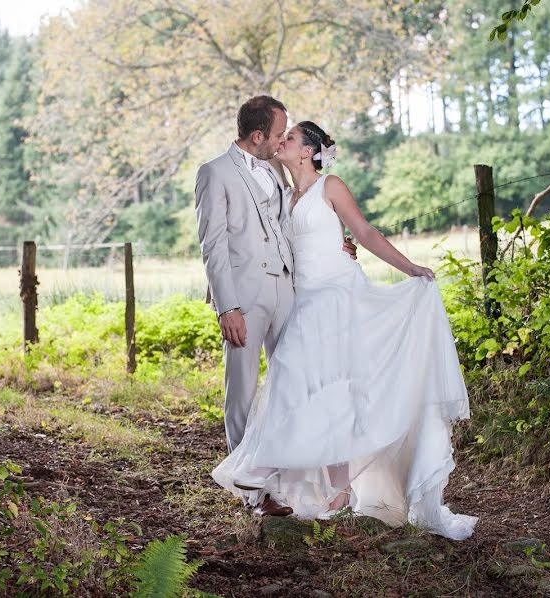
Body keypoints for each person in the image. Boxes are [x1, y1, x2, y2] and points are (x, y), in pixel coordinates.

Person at [210, 121, 478, 539]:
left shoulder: (330, 186)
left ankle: (261, 468)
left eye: (292, 138)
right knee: (324, 387)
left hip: (336, 295)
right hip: (303, 298)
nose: (283, 141)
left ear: (309, 152)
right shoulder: (283, 192)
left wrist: (409, 267)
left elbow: (365, 231)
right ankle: (339, 491)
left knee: (298, 378)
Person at [195, 97, 355, 517]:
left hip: (290, 292)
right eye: (279, 132)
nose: (284, 138)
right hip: (244, 298)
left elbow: (297, 223)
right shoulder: (214, 173)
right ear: (257, 136)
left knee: (292, 386)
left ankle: (286, 483)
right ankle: (253, 494)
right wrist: (226, 306)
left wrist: (336, 245)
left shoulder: (275, 170)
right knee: (244, 391)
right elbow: (212, 245)